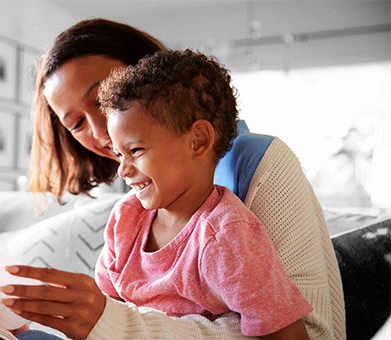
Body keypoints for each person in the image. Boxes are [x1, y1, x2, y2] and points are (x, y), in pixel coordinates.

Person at [0, 18, 345, 340]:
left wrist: (115, 324)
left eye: (102, 97)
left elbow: (311, 333)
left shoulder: (253, 177)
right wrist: (11, 326)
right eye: (75, 123)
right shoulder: (133, 206)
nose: (101, 133)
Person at [94, 48, 312, 339]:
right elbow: (103, 309)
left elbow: (287, 333)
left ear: (198, 141)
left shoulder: (226, 235)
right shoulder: (126, 217)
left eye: (135, 151)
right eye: (119, 154)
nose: (123, 170)